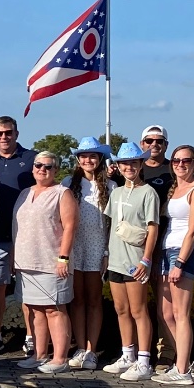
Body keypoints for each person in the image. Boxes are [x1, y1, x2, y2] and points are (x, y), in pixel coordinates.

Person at [12, 151, 78, 373]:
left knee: (54, 309)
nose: (42, 169)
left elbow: (69, 226)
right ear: (33, 168)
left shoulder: (63, 193)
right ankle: (39, 354)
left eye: (48, 166)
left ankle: (60, 358)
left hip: (51, 262)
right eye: (39, 165)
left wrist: (63, 257)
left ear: (56, 170)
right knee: (35, 310)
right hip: (26, 261)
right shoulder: (24, 193)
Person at [102, 142, 160, 381]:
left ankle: (145, 360)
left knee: (139, 310)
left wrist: (146, 259)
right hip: (115, 259)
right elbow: (110, 224)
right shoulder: (115, 192)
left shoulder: (148, 192)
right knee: (121, 309)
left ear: (140, 164)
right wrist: (106, 256)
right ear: (118, 165)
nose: (129, 167)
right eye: (125, 163)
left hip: (135, 260)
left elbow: (152, 227)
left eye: (133, 162)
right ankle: (128, 355)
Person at [153, 145, 194, 386]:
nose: (180, 164)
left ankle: (183, 369)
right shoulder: (176, 189)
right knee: (166, 313)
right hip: (167, 250)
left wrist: (180, 262)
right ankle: (182, 361)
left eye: (186, 161)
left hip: (184, 253)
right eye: (176, 160)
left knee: (180, 313)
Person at [0, 116, 37, 356]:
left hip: (27, 235)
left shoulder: (32, 159)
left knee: (29, 288)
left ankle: (32, 337)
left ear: (16, 133)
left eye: (8, 132)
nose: (4, 137)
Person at [63, 137, 115, 371]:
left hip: (98, 246)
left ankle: (92, 350)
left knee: (94, 299)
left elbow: (112, 223)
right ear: (77, 160)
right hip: (75, 245)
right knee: (77, 299)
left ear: (100, 159)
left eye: (93, 156)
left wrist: (106, 252)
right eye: (83, 156)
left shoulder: (111, 186)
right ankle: (80, 347)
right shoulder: (68, 183)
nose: (88, 160)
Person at [140, 124, 175, 369]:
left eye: (159, 141)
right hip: (135, 245)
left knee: (166, 304)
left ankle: (167, 352)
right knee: (135, 305)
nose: (154, 145)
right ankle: (136, 351)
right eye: (149, 141)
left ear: (166, 145)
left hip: (165, 242)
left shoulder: (174, 168)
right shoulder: (130, 169)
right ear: (142, 144)